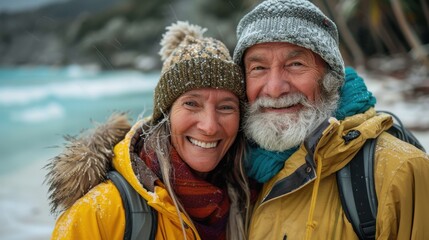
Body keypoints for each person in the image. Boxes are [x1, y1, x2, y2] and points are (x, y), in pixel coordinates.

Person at [233, 0, 429, 239]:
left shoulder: (399, 171)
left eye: (295, 64)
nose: (274, 89)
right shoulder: (235, 173)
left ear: (331, 79)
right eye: (259, 68)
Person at [45, 21, 251, 240]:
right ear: (165, 114)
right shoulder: (98, 213)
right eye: (191, 103)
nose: (209, 126)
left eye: (226, 107)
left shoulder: (249, 200)